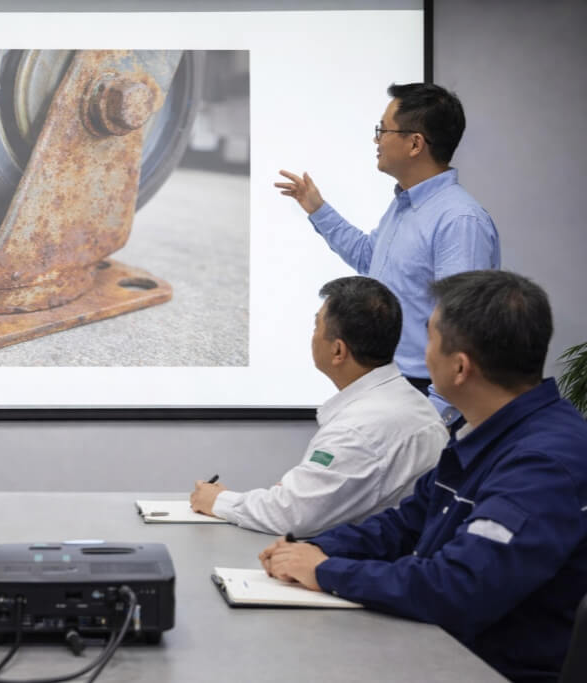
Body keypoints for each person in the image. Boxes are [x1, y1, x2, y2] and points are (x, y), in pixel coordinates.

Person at [260, 270, 587, 683]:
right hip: (440, 648)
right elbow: (406, 523)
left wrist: (325, 571)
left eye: (430, 338)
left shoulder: (542, 463)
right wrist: (310, 549)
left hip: (484, 668)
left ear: (461, 367)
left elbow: (457, 588)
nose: (422, 353)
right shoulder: (482, 433)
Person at [275, 82, 500, 422]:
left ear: (414, 143)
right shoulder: (404, 206)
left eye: (383, 129)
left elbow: (464, 329)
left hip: (427, 397)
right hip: (394, 387)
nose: (376, 140)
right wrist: (317, 209)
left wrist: (435, 417)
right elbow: (370, 257)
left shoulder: (459, 220)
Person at [190, 276, 447, 537]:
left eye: (316, 325)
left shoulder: (359, 428)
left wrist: (218, 501)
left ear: (338, 351)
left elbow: (292, 516)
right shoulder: (410, 403)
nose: (313, 336)